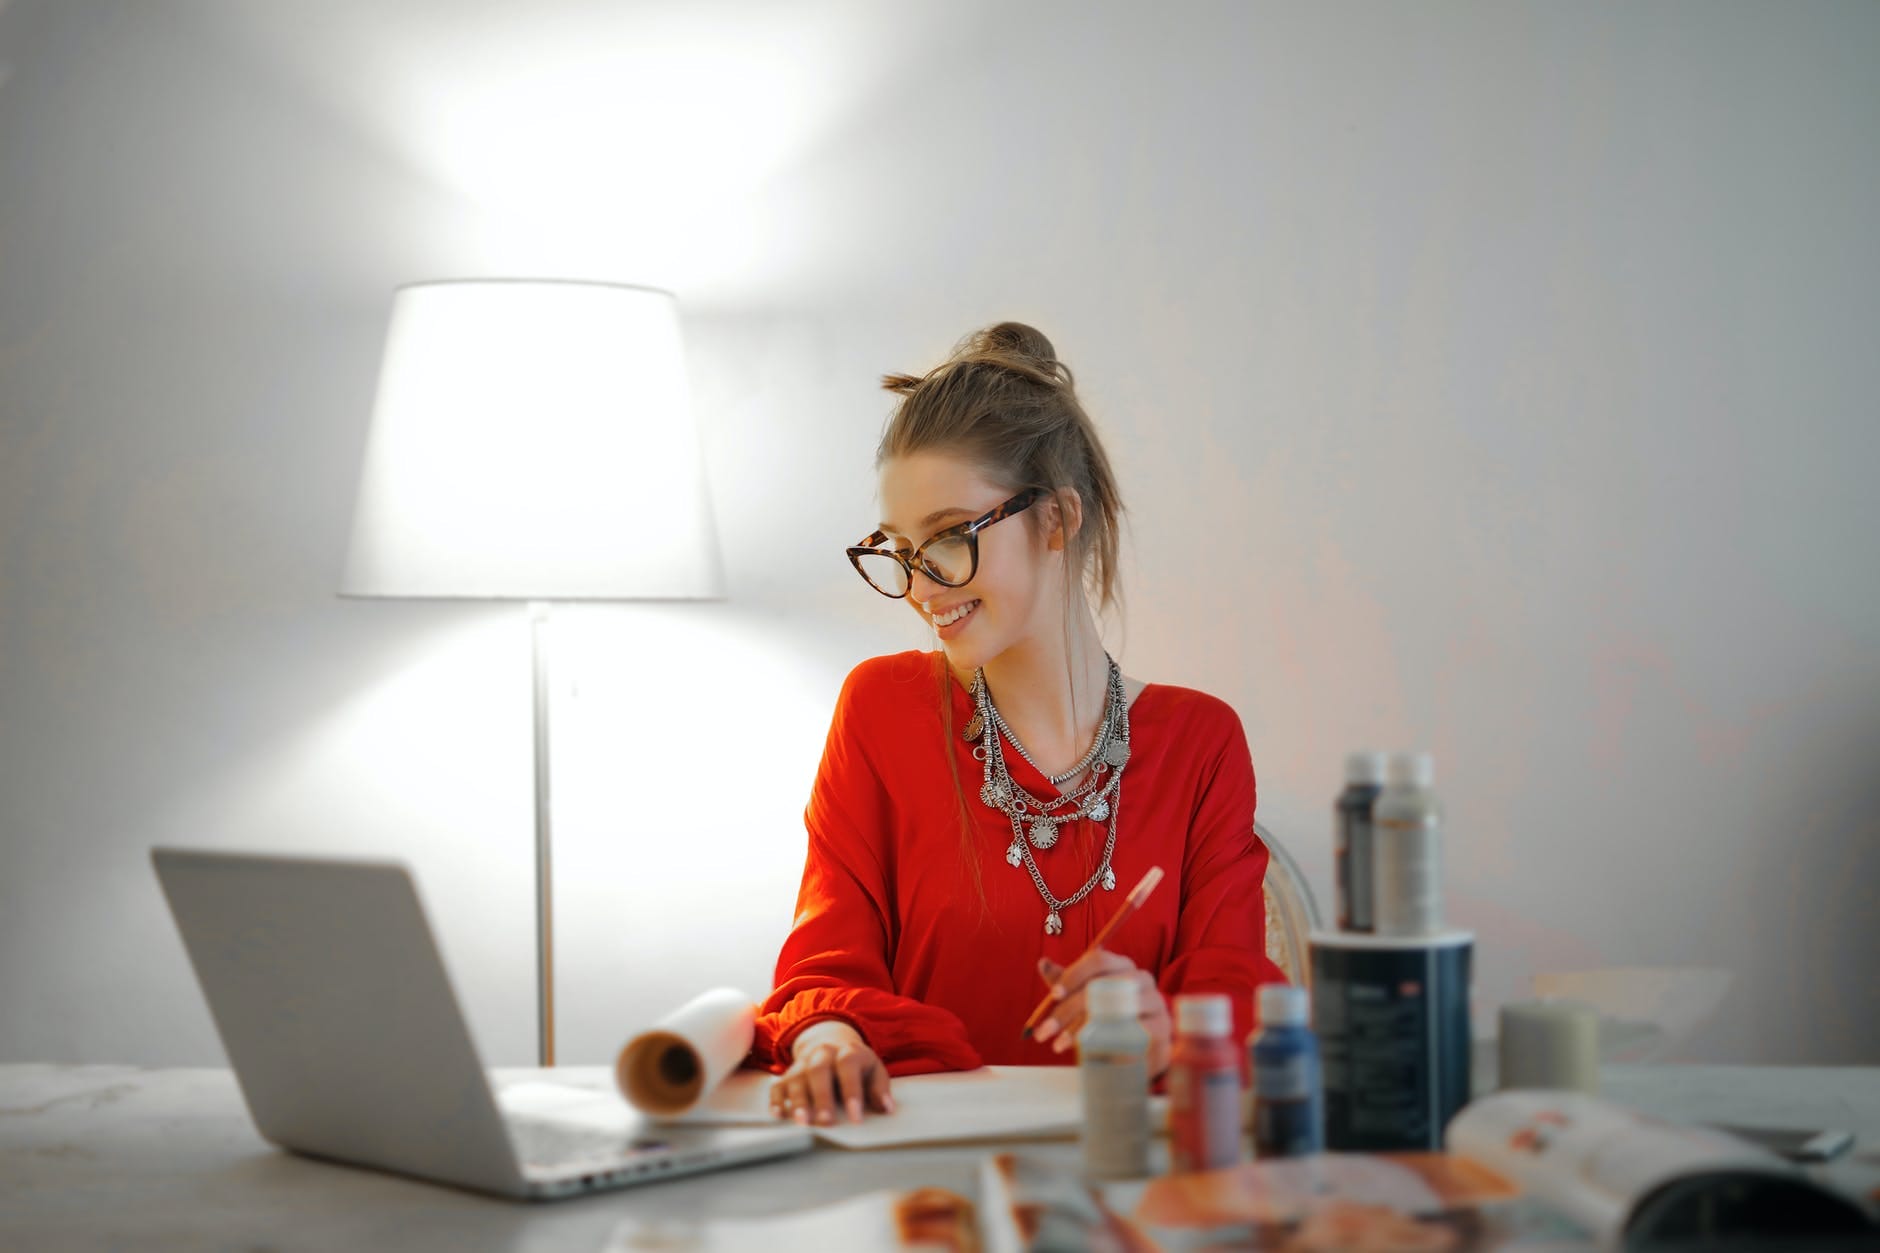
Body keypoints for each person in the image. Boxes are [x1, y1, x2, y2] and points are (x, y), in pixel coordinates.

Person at [750, 322, 1286, 1127]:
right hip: (922, 1175)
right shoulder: (882, 709)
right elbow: (822, 966)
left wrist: (1164, 1022)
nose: (923, 586)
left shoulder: (1199, 741)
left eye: (951, 536)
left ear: (1058, 519)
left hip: (1131, 1175)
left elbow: (1238, 990)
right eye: (901, 547)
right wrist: (828, 1038)